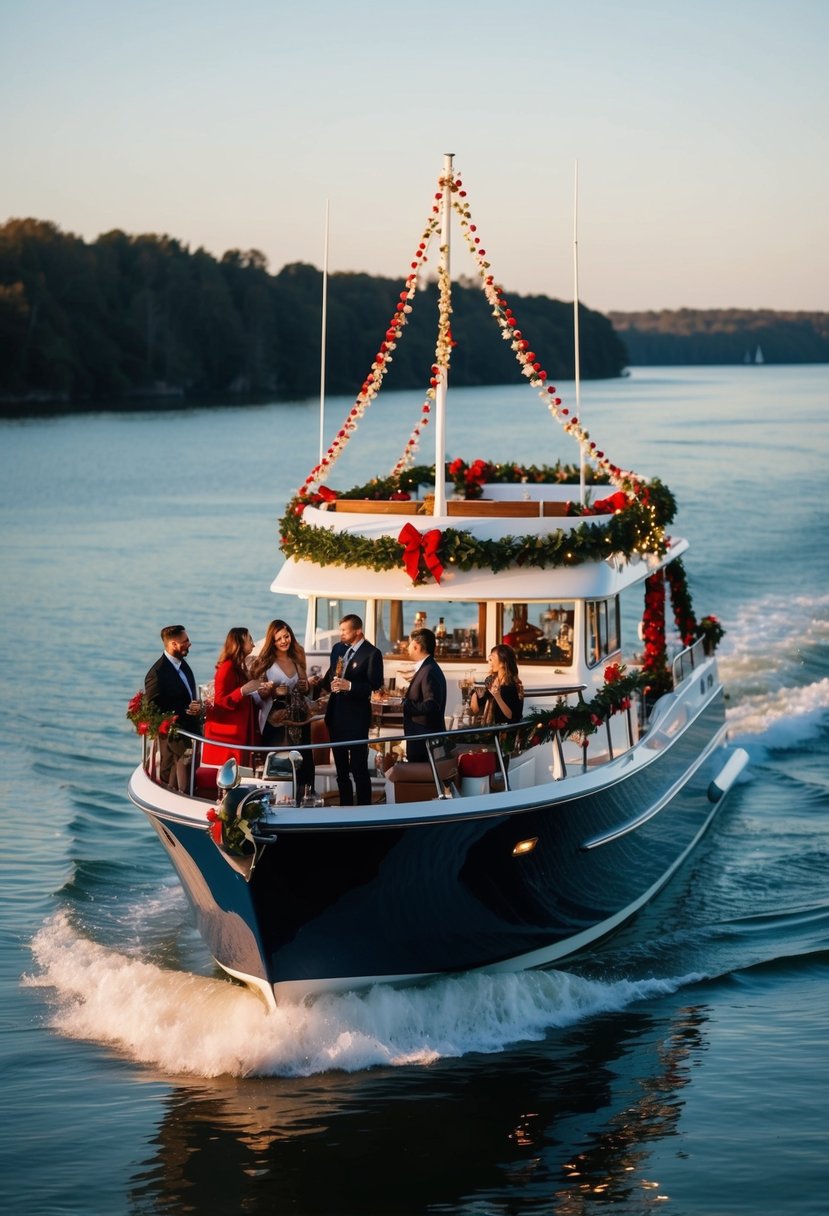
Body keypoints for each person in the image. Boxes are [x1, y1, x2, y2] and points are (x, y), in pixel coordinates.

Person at [249, 618, 317, 795]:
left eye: (286, 636)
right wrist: (268, 692)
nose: (283, 641)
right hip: (276, 719)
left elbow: (305, 688)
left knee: (304, 759)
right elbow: (256, 693)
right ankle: (279, 797)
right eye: (278, 639)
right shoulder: (265, 662)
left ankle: (305, 797)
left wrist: (306, 686)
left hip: (300, 717)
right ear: (272, 641)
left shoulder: (298, 656)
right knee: (280, 760)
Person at [322, 613, 384, 805]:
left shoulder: (372, 653)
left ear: (357, 631)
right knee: (341, 770)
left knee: (358, 768)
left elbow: (375, 687)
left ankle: (364, 809)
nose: (340, 633)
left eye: (344, 630)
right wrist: (318, 685)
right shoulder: (338, 649)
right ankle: (345, 807)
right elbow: (331, 675)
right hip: (336, 716)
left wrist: (349, 686)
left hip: (357, 718)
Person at [145, 625, 203, 788]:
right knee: (175, 780)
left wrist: (195, 705)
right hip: (173, 740)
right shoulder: (157, 674)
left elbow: (187, 695)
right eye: (185, 641)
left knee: (190, 772)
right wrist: (184, 711)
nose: (189, 644)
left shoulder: (183, 665)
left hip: (190, 732)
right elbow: (153, 710)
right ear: (173, 644)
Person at [202, 627, 265, 766]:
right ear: (240, 644)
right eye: (250, 640)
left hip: (239, 732)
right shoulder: (227, 667)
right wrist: (242, 691)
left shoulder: (238, 666)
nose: (254, 644)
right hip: (229, 736)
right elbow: (219, 702)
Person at [402, 627, 447, 763]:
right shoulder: (427, 667)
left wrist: (404, 705)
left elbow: (432, 704)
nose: (407, 647)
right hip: (421, 739)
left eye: (409, 644)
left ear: (416, 646)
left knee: (424, 782)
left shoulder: (429, 671)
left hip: (424, 742)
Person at [470, 643, 524, 726]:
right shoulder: (490, 681)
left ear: (502, 663)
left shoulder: (513, 687)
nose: (489, 661)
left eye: (492, 657)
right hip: (489, 730)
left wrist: (497, 697)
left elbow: (512, 717)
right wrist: (473, 690)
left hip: (505, 733)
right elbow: (475, 710)